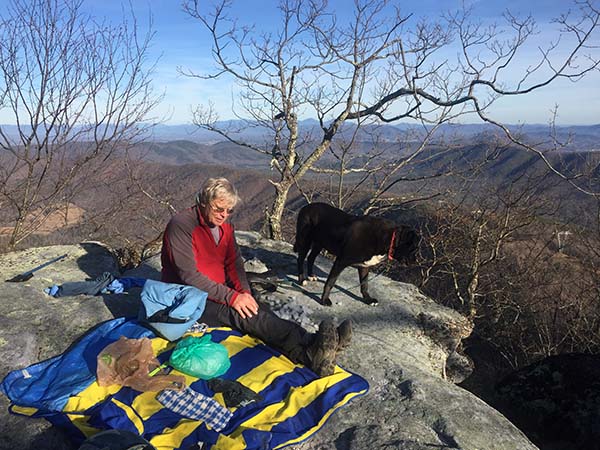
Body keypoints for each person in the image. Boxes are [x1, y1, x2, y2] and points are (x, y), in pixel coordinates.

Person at [161, 177, 351, 376]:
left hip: (216, 289)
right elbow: (189, 276)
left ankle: (312, 348)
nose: (224, 215)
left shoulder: (225, 228)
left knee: (257, 309)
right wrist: (232, 297)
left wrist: (243, 291)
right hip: (188, 298)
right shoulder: (182, 225)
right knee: (246, 315)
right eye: (218, 209)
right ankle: (312, 351)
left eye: (229, 210)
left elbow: (234, 264)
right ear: (203, 202)